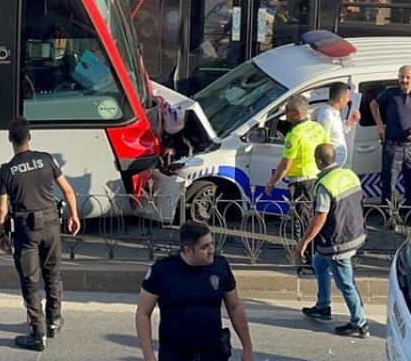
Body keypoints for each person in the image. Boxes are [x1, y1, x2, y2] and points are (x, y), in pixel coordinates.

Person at [0, 117, 82, 350]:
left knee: (30, 282)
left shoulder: (5, 171)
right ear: (29, 136)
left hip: (26, 231)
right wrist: (74, 216)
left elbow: (2, 209)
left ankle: (37, 333)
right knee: (52, 274)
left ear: (10, 138)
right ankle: (53, 321)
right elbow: (68, 190)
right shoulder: (46, 159)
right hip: (52, 225)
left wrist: (0, 235)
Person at [136, 221, 255, 361]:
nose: (211, 250)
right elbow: (143, 314)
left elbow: (235, 307)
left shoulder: (220, 266)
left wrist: (247, 348)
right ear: (188, 250)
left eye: (212, 243)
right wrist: (149, 358)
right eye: (204, 247)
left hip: (213, 353)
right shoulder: (162, 271)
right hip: (176, 355)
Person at [297, 144, 369, 338]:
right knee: (319, 262)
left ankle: (360, 323)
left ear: (318, 162)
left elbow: (320, 218)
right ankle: (323, 306)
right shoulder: (350, 175)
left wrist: (304, 242)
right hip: (354, 233)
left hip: (338, 242)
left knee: (346, 283)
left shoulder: (324, 185)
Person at [265, 94, 329, 236]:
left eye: (288, 110)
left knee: (302, 221)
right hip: (317, 178)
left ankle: (305, 252)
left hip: (302, 182)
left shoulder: (294, 135)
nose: (285, 112)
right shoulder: (317, 127)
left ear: (298, 113)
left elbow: (285, 165)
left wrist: (271, 183)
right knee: (314, 216)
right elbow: (327, 151)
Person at [369, 65, 411, 210]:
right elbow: (373, 105)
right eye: (401, 77)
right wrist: (379, 125)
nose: (404, 80)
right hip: (393, 146)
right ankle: (388, 216)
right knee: (389, 184)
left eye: (408, 77)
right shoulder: (390, 93)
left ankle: (410, 215)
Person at [315, 82, 360, 166]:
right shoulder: (326, 116)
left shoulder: (335, 112)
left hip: (338, 163)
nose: (348, 100)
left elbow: (335, 131)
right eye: (347, 97)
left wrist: (349, 122)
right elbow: (322, 142)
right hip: (331, 165)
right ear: (340, 99)